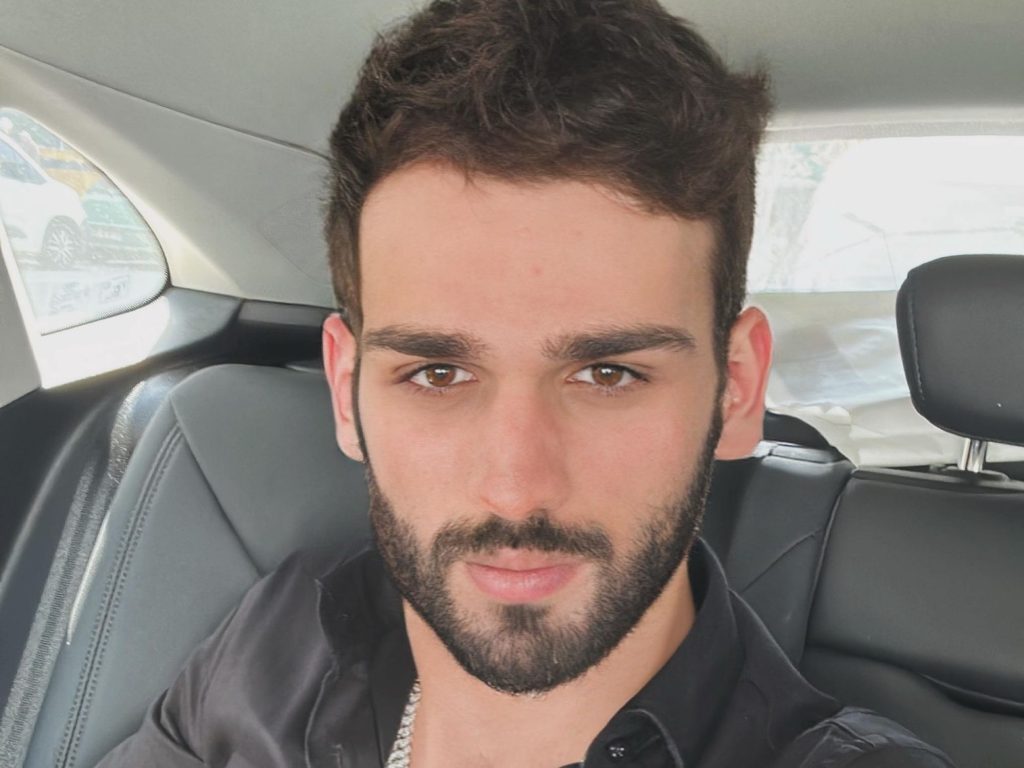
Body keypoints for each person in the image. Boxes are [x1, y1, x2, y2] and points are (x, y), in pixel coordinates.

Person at [98, 1, 955, 766]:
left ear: (735, 387)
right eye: (437, 373)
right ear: (346, 389)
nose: (515, 489)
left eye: (608, 373)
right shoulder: (285, 632)